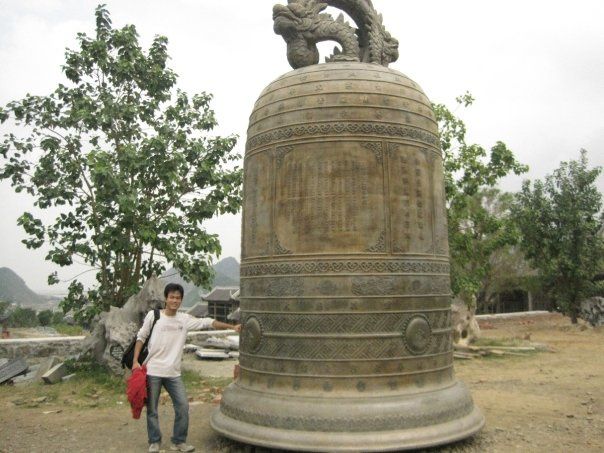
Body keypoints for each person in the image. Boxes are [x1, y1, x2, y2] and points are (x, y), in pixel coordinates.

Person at [133, 282, 241, 453]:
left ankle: (178, 441)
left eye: (178, 298)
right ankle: (154, 441)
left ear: (181, 300)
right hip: (153, 370)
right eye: (172, 297)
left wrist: (232, 327)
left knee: (182, 406)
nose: (175, 300)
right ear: (166, 299)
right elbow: (141, 337)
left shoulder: (184, 320)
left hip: (173, 373)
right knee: (152, 409)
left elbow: (208, 322)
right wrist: (135, 362)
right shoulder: (154, 317)